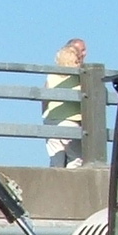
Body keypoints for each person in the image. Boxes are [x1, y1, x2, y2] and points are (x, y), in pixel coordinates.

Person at [44, 38, 87, 168]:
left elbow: (44, 98)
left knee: (55, 160)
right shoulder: (80, 78)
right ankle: (73, 187)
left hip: (51, 122)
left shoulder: (51, 76)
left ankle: (53, 185)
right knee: (76, 160)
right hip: (71, 122)